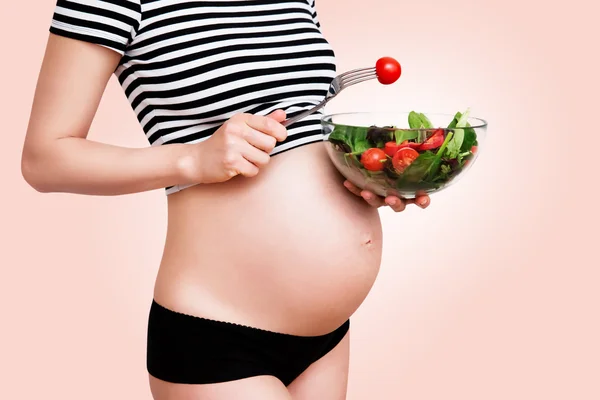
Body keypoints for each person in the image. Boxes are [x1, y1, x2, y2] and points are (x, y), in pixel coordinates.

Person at [21, 1, 430, 399]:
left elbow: (300, 128)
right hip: (219, 333)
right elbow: (44, 159)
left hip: (327, 336)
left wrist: (371, 176)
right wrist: (191, 158)